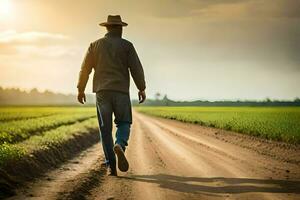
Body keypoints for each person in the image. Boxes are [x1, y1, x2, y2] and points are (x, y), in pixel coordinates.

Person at [76, 15, 146, 176]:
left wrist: (80, 89)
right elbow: (136, 68)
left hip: (102, 92)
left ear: (107, 28)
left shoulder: (94, 46)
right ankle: (120, 144)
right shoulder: (127, 46)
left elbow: (85, 69)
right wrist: (141, 88)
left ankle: (111, 167)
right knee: (124, 122)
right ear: (120, 28)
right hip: (121, 91)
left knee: (105, 129)